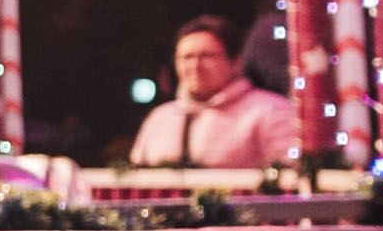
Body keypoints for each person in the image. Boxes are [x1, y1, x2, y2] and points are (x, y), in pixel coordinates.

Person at [126, 12, 297, 169]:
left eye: (207, 56)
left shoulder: (271, 111)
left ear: (236, 62)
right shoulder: (160, 118)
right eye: (187, 57)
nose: (195, 66)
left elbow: (290, 180)